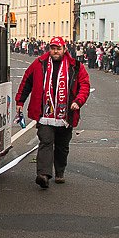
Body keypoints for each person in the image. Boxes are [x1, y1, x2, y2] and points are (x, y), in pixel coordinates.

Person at [15, 36, 91, 189]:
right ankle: (43, 175)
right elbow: (27, 81)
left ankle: (60, 172)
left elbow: (84, 86)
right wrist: (20, 101)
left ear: (64, 49)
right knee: (46, 141)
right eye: (53, 48)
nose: (55, 51)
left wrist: (78, 101)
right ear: (49, 49)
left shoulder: (75, 66)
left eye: (58, 48)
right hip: (45, 114)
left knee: (62, 146)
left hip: (66, 115)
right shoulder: (39, 63)